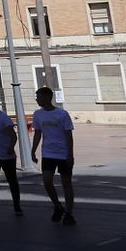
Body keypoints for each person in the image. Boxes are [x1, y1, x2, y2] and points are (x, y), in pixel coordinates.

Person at [31, 86, 76, 225]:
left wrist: (70, 155)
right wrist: (33, 151)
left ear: (47, 97)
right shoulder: (38, 114)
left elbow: (69, 136)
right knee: (47, 181)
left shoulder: (62, 114)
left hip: (63, 153)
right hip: (48, 153)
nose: (37, 99)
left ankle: (69, 213)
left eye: (39, 97)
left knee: (66, 183)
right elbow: (37, 133)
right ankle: (57, 205)